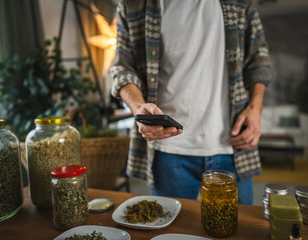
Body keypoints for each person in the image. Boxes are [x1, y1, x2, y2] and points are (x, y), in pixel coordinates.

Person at [110, 0, 275, 204]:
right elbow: (123, 69)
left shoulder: (241, 2)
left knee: (238, 230)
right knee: (172, 233)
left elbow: (259, 58)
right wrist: (138, 108)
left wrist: (255, 107)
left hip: (232, 146)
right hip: (168, 149)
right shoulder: (132, 5)